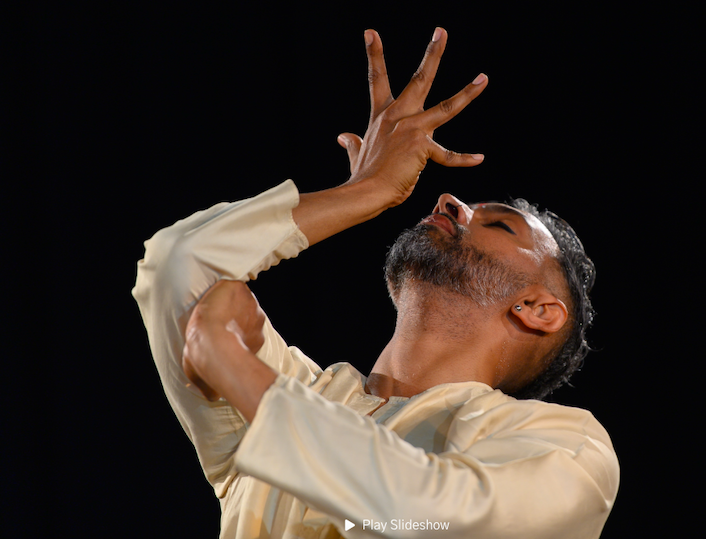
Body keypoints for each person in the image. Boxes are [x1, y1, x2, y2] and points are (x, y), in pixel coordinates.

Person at [133, 28, 619, 539]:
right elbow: (179, 264)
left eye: (498, 225)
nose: (449, 201)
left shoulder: (566, 446)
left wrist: (239, 371)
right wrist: (365, 190)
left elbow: (436, 515)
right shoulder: (309, 395)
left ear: (537, 308)